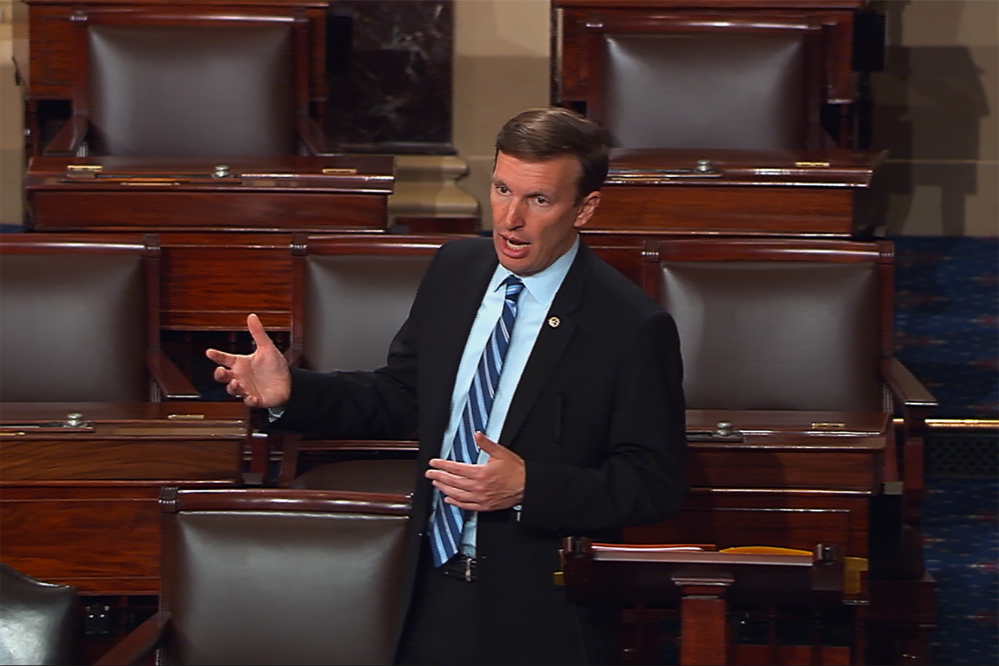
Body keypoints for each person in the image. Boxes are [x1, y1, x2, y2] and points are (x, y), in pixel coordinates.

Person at [206, 107, 687, 665]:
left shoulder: (629, 324)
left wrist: (532, 485)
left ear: (585, 207)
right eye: (502, 189)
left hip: (542, 609)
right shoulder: (457, 268)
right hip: (430, 585)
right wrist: (295, 391)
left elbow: (653, 483)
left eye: (538, 200)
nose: (510, 219)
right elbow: (402, 394)